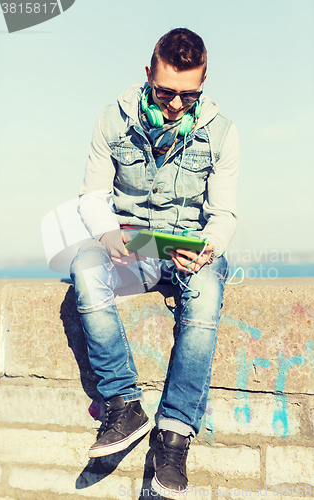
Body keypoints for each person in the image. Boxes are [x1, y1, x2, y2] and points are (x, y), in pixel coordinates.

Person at [70, 28, 239, 498]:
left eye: (190, 95)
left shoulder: (223, 132)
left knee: (205, 298)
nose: (176, 105)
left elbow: (224, 215)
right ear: (149, 75)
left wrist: (208, 248)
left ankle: (175, 435)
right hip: (133, 244)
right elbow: (92, 195)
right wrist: (106, 234)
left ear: (204, 84)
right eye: (166, 92)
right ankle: (123, 403)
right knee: (83, 264)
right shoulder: (112, 120)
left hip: (191, 249)